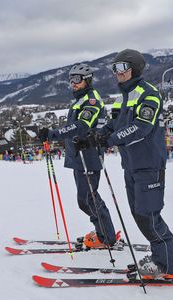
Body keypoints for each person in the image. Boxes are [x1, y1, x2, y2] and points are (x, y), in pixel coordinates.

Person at [84, 49, 173, 279]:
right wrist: (94, 136)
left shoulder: (148, 94)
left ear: (135, 68)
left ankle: (167, 266)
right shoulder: (123, 97)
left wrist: (109, 139)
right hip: (130, 165)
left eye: (121, 67)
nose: (116, 73)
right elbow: (112, 125)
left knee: (149, 215)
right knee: (139, 214)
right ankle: (159, 259)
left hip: (149, 164)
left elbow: (142, 127)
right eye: (114, 68)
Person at [38, 63, 118, 249]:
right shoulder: (80, 100)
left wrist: (54, 134)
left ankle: (106, 237)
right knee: (86, 199)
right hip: (79, 156)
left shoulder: (91, 101)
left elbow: (81, 126)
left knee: (88, 199)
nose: (73, 83)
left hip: (88, 156)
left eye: (77, 79)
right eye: (71, 80)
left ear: (87, 80)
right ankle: (103, 233)